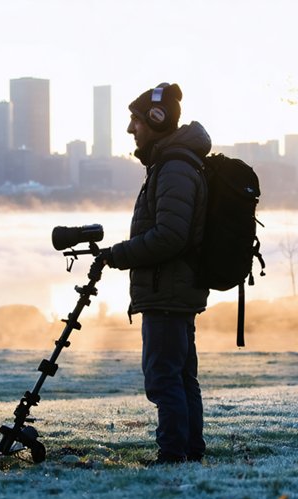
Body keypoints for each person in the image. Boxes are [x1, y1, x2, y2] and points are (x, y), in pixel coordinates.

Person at [101, 82, 211, 464]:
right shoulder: (172, 163)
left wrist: (118, 255)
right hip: (174, 290)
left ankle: (173, 455)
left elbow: (170, 235)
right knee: (180, 377)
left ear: (156, 119)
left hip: (168, 291)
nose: (131, 129)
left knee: (164, 378)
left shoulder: (174, 167)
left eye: (135, 120)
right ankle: (189, 452)